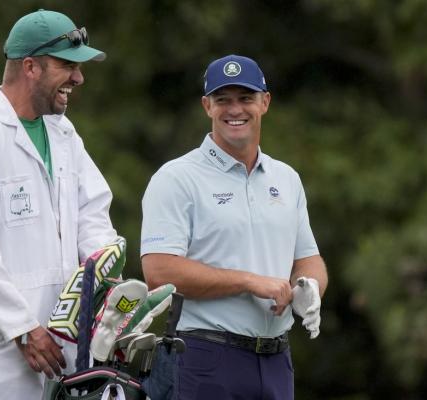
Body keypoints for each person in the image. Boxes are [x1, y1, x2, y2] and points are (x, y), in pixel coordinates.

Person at [0, 9, 117, 400]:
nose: (79, 78)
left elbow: (92, 212)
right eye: (68, 66)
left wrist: (103, 276)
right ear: (31, 67)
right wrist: (23, 328)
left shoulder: (63, 133)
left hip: (62, 344)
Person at [140, 55, 328, 400]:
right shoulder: (176, 178)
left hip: (276, 360)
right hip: (206, 356)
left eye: (245, 98)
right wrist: (248, 281)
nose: (235, 109)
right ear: (207, 106)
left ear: (265, 102)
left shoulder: (286, 178)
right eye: (223, 100)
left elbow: (308, 258)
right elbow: (159, 272)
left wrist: (310, 286)